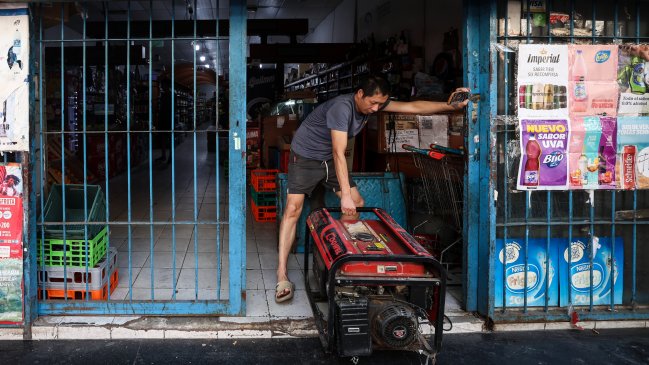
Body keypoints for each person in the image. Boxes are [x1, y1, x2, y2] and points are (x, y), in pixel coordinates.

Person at [275, 75, 470, 303]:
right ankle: (282, 274)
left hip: (328, 159)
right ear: (360, 94)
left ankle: (342, 258)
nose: (376, 108)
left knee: (356, 204)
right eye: (372, 103)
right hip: (306, 156)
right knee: (293, 209)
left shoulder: (374, 103)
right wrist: (344, 195)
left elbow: (413, 106)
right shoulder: (342, 108)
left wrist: (450, 105)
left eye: (380, 104)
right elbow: (340, 153)